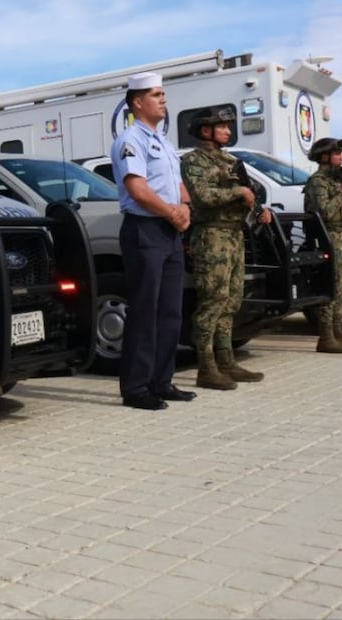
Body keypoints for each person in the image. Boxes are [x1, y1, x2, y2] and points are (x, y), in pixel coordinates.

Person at [110, 72, 196, 410]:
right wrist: (172, 213)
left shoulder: (164, 142)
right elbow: (138, 189)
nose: (163, 99)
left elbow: (178, 185)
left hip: (169, 232)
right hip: (145, 229)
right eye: (156, 95)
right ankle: (136, 388)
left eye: (163, 94)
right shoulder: (131, 140)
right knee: (145, 310)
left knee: (170, 310)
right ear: (137, 102)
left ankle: (162, 381)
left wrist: (185, 207)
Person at [181, 109, 272, 390]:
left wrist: (259, 210)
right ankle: (206, 368)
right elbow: (202, 196)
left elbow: (247, 194)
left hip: (234, 235)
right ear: (205, 130)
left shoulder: (231, 161)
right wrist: (238, 193)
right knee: (212, 301)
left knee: (231, 301)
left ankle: (226, 361)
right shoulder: (193, 160)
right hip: (212, 236)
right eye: (221, 127)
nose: (228, 131)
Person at [303, 137, 342, 353]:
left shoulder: (336, 180)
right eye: (337, 154)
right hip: (331, 237)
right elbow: (325, 212)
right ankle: (326, 336)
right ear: (324, 156)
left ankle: (340, 332)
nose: (341, 157)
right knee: (331, 285)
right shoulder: (317, 182)